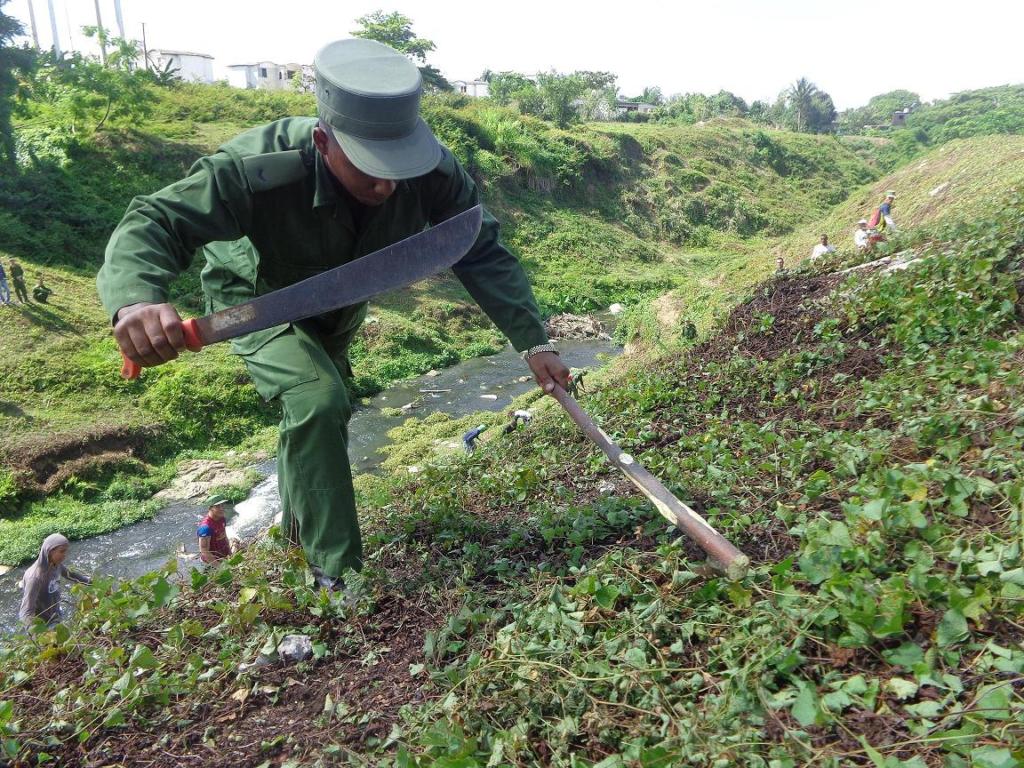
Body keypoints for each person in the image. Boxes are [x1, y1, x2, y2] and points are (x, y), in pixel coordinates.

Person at [96, 39, 570, 592]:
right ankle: (335, 579)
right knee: (315, 399)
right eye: (369, 169)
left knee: (326, 414)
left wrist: (534, 343)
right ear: (323, 141)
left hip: (337, 306)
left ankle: (298, 542)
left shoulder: (434, 173)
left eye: (399, 168)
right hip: (255, 300)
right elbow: (156, 220)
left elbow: (481, 250)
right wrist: (136, 298)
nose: (386, 185)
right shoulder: (259, 167)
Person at [19, 534, 91, 627]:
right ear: (50, 551)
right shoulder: (35, 578)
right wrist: (36, 634)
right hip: (43, 624)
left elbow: (72, 575)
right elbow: (26, 612)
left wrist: (92, 583)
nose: (65, 555)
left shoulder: (56, 565)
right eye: (62, 551)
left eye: (66, 552)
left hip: (56, 614)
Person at [197, 495, 233, 564]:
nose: (222, 508)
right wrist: (220, 568)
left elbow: (224, 537)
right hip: (211, 563)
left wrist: (230, 553)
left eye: (222, 505)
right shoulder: (205, 528)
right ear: (210, 508)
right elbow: (204, 551)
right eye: (218, 506)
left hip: (223, 557)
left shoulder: (222, 519)